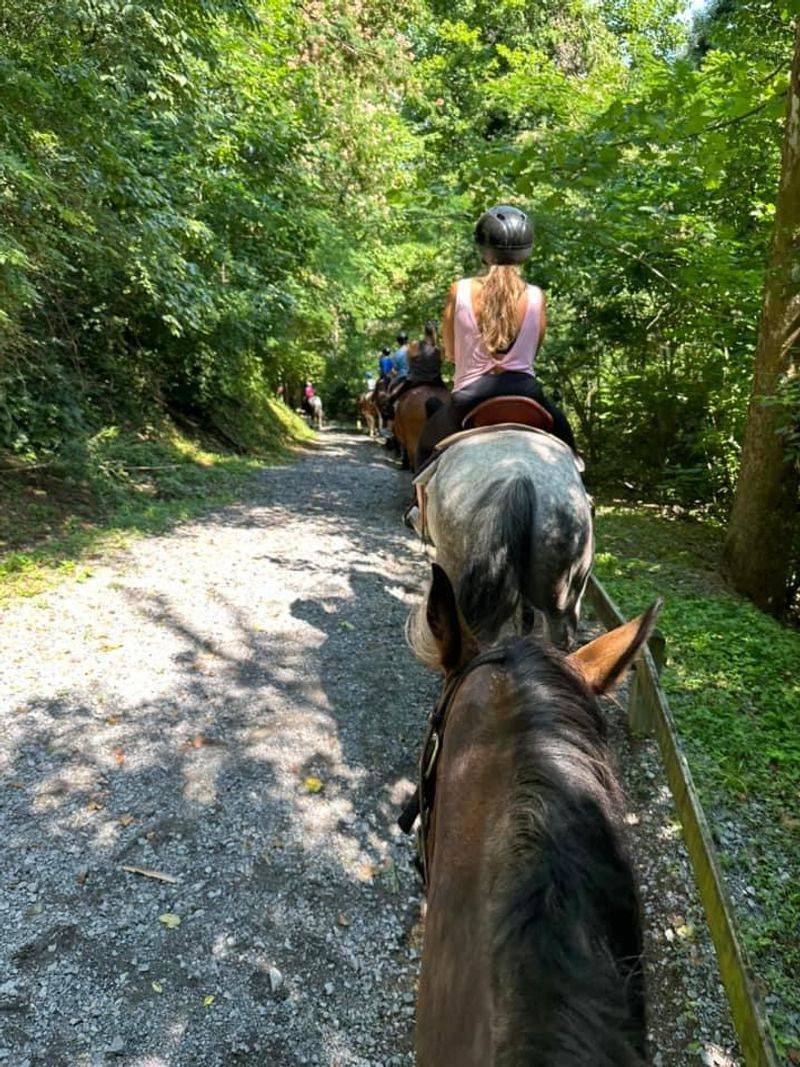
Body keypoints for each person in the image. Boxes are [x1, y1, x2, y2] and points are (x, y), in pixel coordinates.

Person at [415, 204, 575, 469]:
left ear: (483, 249)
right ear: (526, 249)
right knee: (567, 445)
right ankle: (584, 497)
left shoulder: (460, 290)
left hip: (470, 398)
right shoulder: (536, 296)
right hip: (526, 394)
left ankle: (416, 508)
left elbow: (452, 354)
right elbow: (532, 353)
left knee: (424, 448)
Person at [384, 321, 445, 414]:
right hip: (436, 381)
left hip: (416, 380)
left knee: (393, 397)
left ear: (424, 331)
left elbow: (410, 363)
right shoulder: (439, 349)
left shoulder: (415, 345)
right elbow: (440, 364)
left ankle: (388, 412)